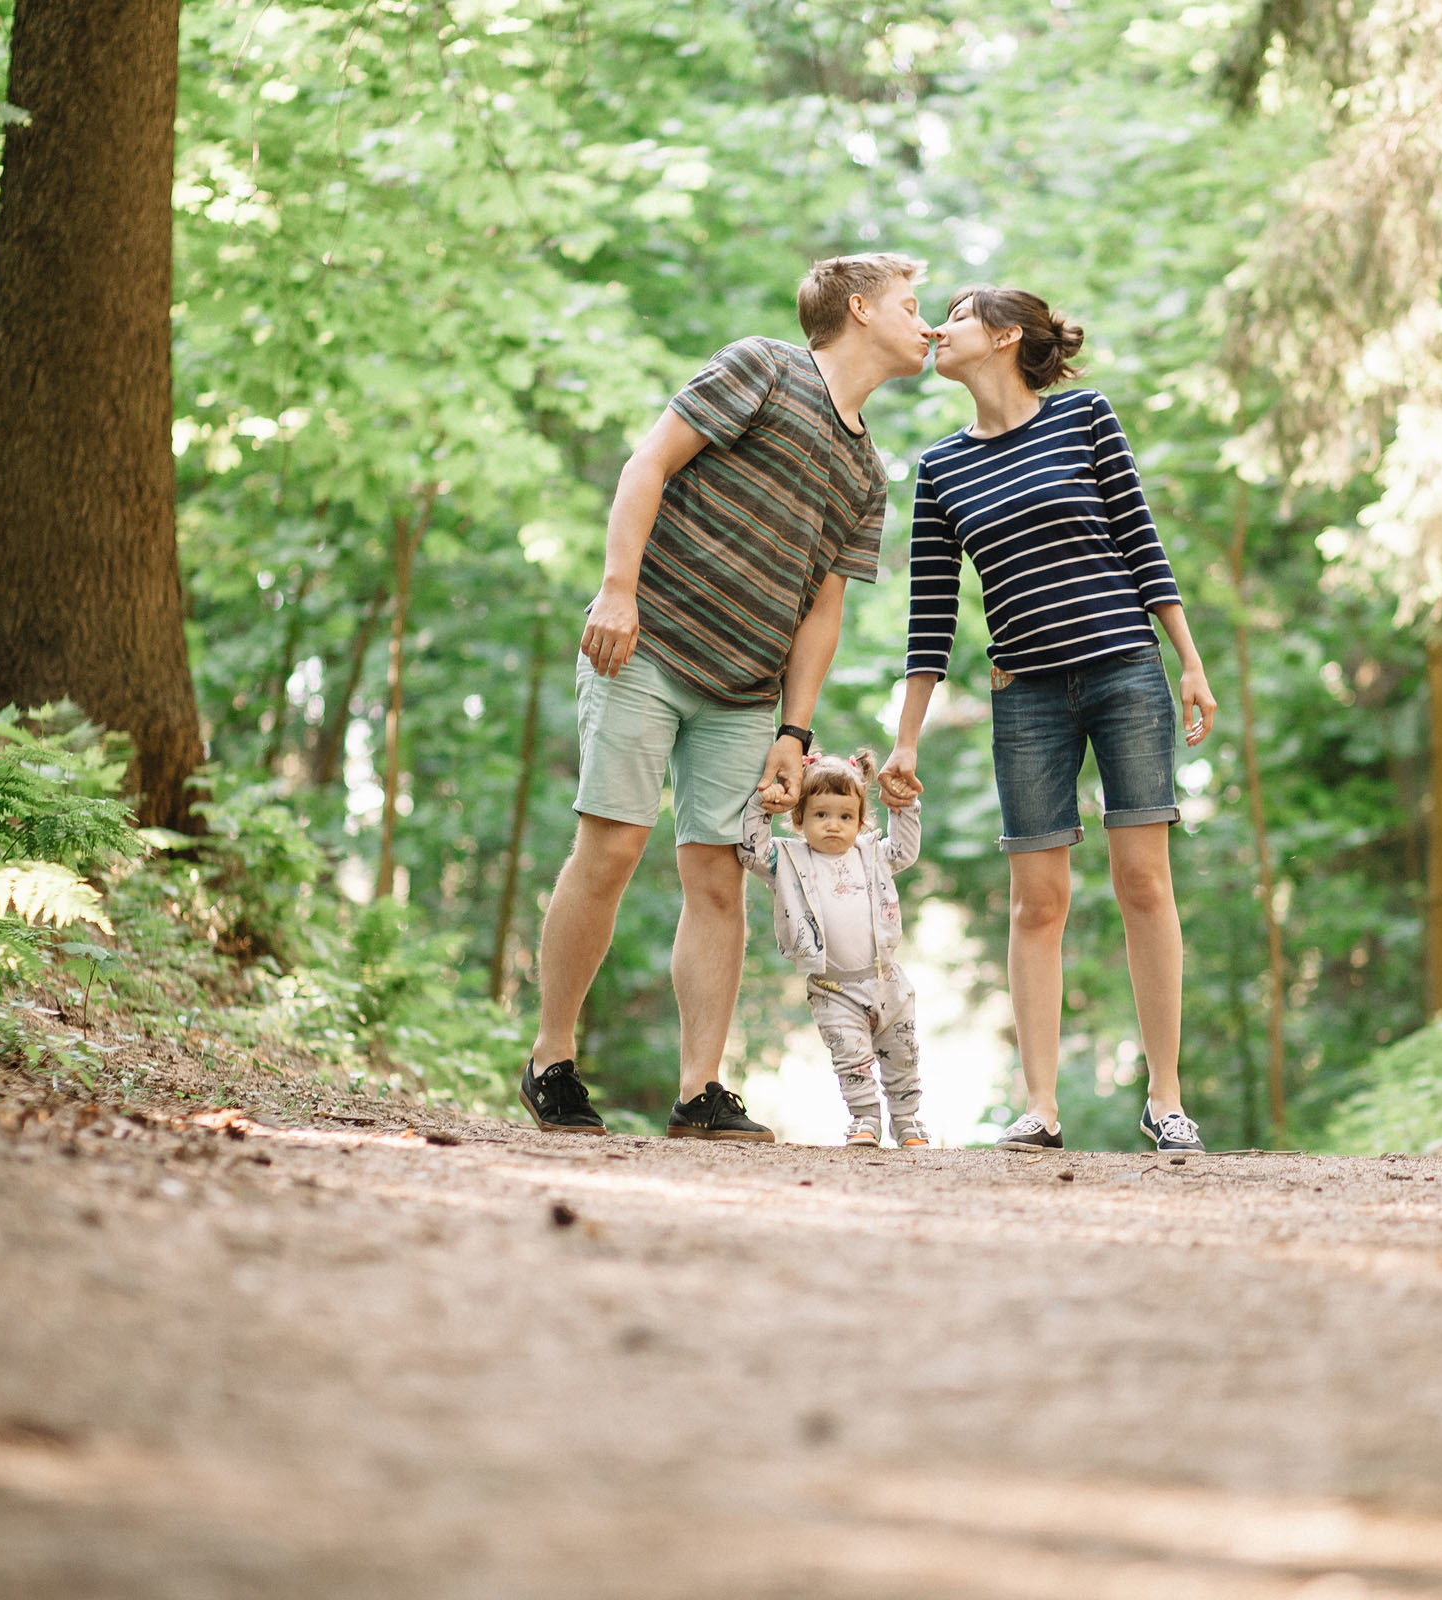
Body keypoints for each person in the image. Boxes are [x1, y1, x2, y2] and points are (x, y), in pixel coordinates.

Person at [520, 253, 936, 1141]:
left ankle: (699, 1091)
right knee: (613, 847)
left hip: (747, 691)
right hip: (649, 644)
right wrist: (618, 588)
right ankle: (552, 1059)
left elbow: (823, 609)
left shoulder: (868, 474)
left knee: (718, 879)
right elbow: (649, 464)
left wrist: (794, 728)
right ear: (859, 309)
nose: (926, 322)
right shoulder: (762, 365)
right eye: (911, 304)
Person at [880, 286, 1218, 1155]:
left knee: (1145, 882)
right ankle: (1040, 1107)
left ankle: (1167, 1100)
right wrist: (907, 735)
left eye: (951, 318)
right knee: (1038, 901)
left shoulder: (1085, 417)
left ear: (1001, 336)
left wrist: (1190, 661)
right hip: (1025, 694)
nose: (933, 330)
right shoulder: (942, 468)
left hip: (1126, 674)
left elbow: (1141, 540)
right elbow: (930, 615)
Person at [738, 749, 929, 1149]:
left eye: (845, 817)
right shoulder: (788, 860)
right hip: (833, 988)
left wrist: (905, 806)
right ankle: (865, 1120)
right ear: (799, 819)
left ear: (860, 821)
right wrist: (762, 804)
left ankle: (908, 1121)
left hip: (887, 981)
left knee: (903, 1055)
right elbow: (749, 850)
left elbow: (905, 851)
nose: (832, 826)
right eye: (820, 815)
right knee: (851, 1058)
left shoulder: (872, 854)